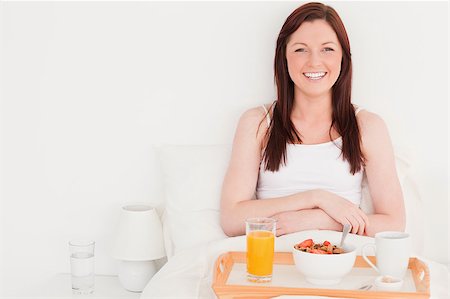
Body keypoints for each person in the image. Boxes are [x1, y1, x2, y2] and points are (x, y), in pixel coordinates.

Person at [220, 2, 405, 238]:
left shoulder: (367, 126)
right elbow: (231, 219)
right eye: (300, 49)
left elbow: (394, 223)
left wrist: (320, 219)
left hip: (341, 262)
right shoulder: (257, 123)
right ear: (284, 58)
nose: (314, 62)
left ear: (343, 58)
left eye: (327, 49)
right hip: (272, 263)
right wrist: (316, 198)